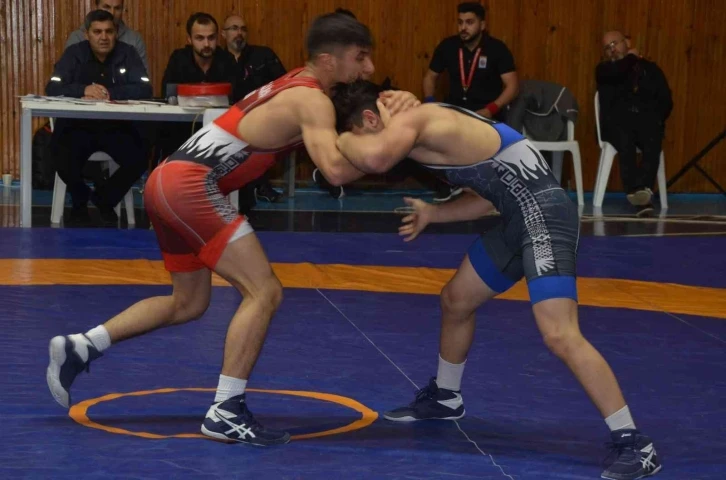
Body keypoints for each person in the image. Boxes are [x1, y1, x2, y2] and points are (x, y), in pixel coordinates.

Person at [46, 14, 418, 447]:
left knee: (189, 302)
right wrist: (401, 141)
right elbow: (335, 170)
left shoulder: (298, 85)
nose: (369, 68)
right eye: (361, 57)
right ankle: (225, 409)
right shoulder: (311, 100)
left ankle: (83, 345)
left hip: (166, 181)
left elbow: (340, 138)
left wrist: (391, 104)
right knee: (265, 291)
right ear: (328, 59)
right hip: (191, 187)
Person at [331, 80, 661, 480]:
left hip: (545, 217)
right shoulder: (421, 126)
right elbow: (489, 195)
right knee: (456, 299)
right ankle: (446, 397)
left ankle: (634, 442)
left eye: (357, 135)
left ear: (370, 119)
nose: (357, 147)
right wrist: (435, 214)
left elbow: (376, 159)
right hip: (518, 219)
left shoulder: (415, 121)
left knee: (560, 334)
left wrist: (334, 139)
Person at [47, 9, 152, 225]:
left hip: (117, 127)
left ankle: (105, 199)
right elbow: (53, 87)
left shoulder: (128, 53)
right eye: (97, 32)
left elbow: (145, 88)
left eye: (109, 31)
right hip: (78, 127)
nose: (104, 37)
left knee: (142, 154)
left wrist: (110, 93)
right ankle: (80, 197)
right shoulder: (74, 54)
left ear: (116, 33)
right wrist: (82, 89)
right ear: (87, 34)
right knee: (57, 151)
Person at [597, 30, 672, 216]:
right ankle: (637, 191)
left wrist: (656, 119)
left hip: (645, 124)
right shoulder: (604, 70)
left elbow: (665, 100)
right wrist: (632, 58)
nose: (612, 50)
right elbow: (621, 70)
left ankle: (642, 191)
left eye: (615, 43)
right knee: (625, 137)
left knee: (654, 135)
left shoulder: (650, 69)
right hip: (616, 126)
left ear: (627, 42)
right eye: (607, 47)